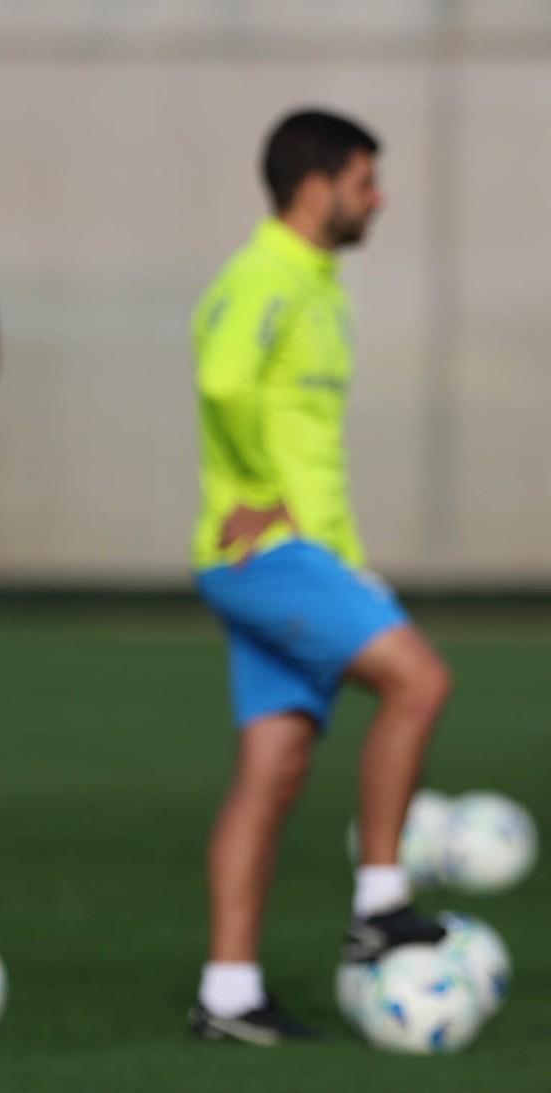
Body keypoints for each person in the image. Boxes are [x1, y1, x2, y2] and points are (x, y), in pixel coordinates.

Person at [188, 110, 451, 1044]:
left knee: (275, 762)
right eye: (365, 181)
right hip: (271, 557)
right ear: (317, 184)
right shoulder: (267, 274)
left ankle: (228, 993)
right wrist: (260, 494)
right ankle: (380, 899)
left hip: (304, 558)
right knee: (421, 680)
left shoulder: (317, 281)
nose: (376, 199)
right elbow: (221, 379)